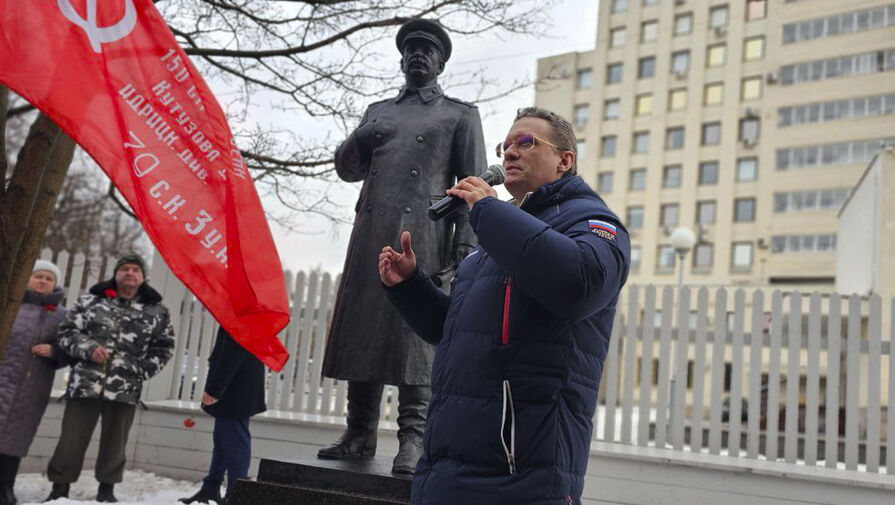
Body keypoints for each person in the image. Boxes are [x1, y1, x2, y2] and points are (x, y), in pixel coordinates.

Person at [378, 107, 630, 504]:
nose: (509, 152)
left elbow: (576, 285)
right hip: (444, 472)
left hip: (518, 476)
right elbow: (457, 330)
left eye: (526, 142)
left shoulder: (596, 224)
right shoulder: (494, 240)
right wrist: (410, 286)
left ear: (565, 160)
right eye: (506, 144)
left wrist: (487, 211)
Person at [318, 18, 487, 474]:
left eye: (427, 50)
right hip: (371, 232)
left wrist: (465, 247)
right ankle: (359, 432)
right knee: (363, 329)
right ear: (401, 58)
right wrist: (357, 136)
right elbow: (347, 170)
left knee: (416, 337)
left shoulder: (459, 114)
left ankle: (412, 438)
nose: (418, 54)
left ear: (441, 62)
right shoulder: (379, 111)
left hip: (425, 236)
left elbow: (472, 184)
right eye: (411, 48)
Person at [45, 253, 175, 503]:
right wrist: (87, 348)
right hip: (85, 383)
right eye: (124, 269)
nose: (129, 273)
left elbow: (164, 347)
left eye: (135, 270)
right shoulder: (90, 301)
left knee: (116, 443)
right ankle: (59, 489)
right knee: (70, 439)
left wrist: (141, 370)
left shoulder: (156, 310)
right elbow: (66, 332)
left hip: (125, 388)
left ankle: (107, 489)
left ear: (142, 276)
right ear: (116, 274)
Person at [0, 260, 69, 505]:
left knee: (17, 435)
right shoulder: (8, 304)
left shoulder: (60, 316)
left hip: (31, 386)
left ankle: (5, 487)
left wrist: (54, 351)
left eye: (48, 279)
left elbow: (69, 348)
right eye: (38, 276)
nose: (42, 281)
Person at [179, 327, 266, 505]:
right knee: (222, 440)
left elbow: (232, 353)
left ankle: (237, 495)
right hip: (237, 384)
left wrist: (214, 389)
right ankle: (210, 488)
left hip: (235, 387)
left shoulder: (241, 315)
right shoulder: (243, 313)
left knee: (235, 444)